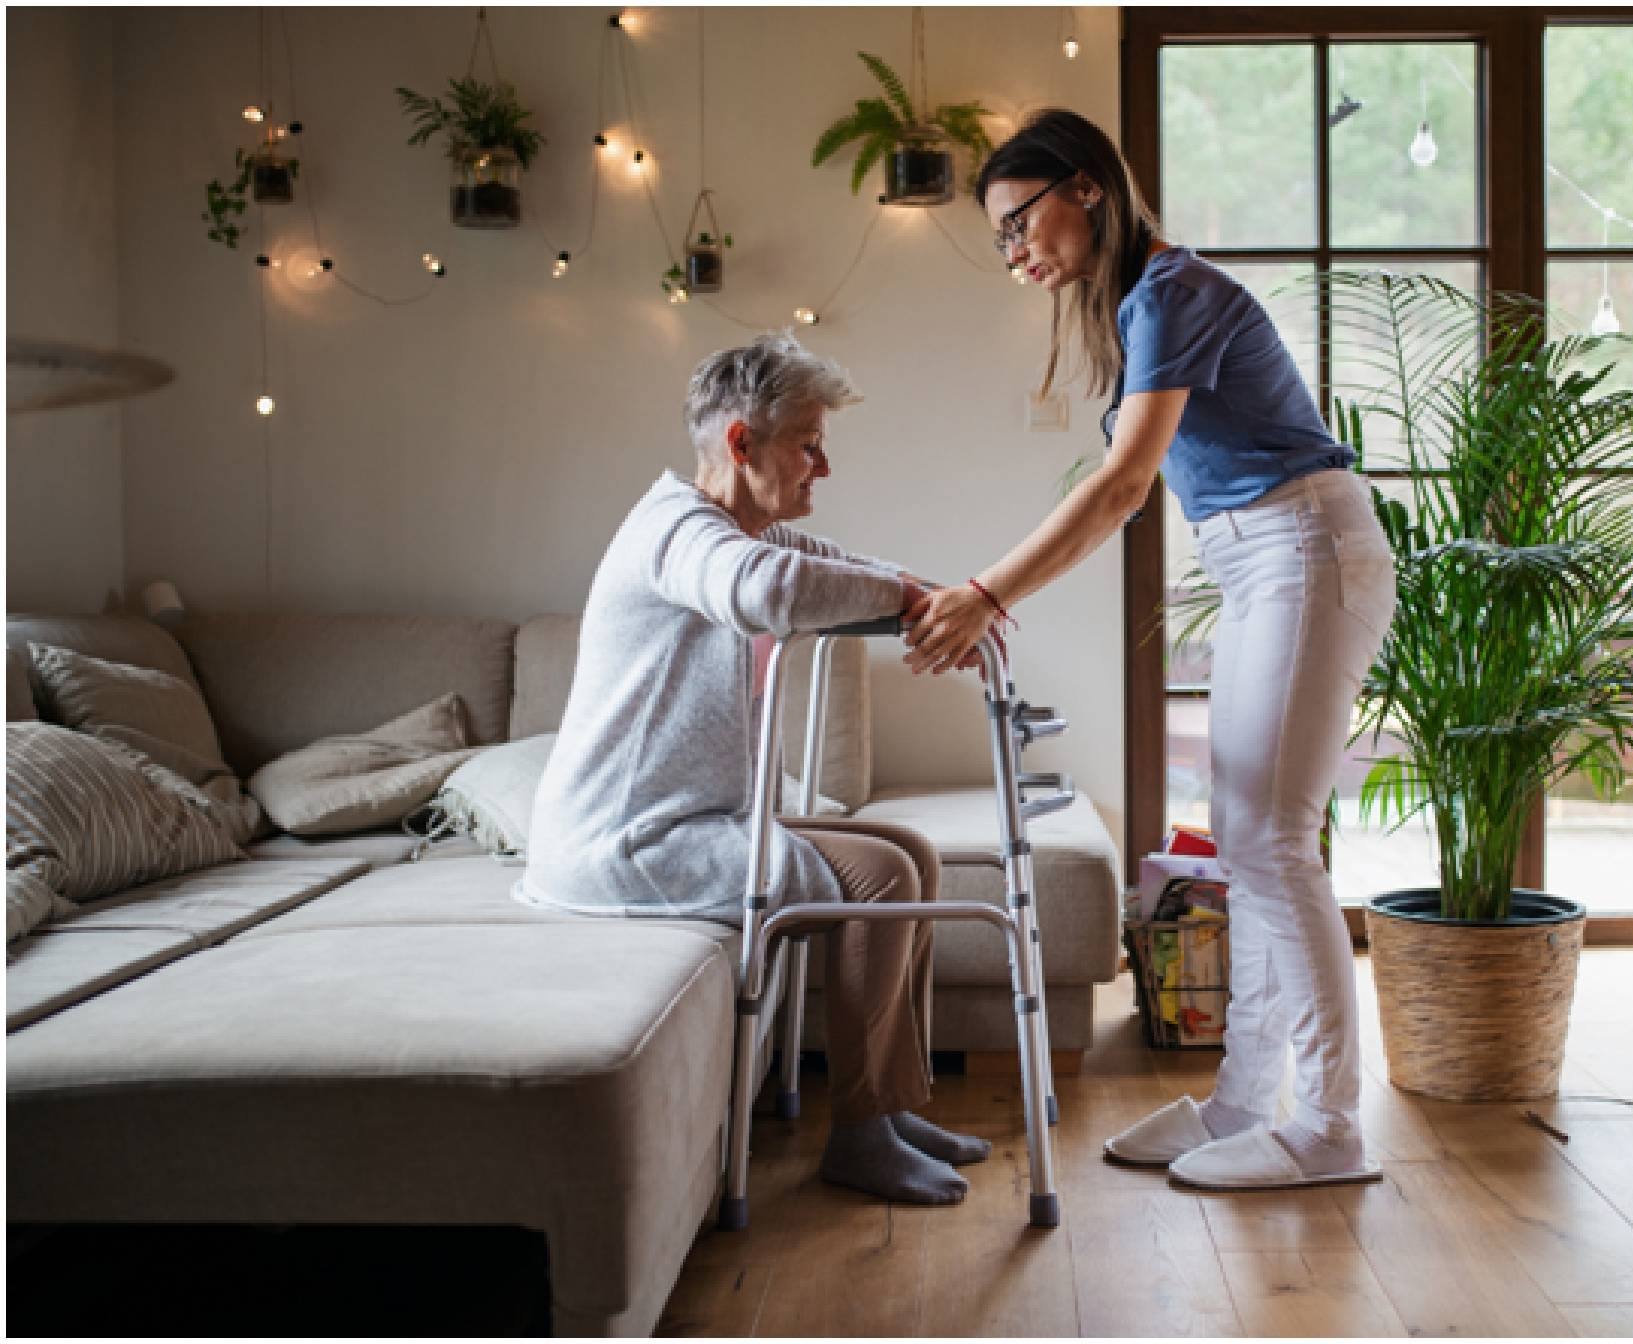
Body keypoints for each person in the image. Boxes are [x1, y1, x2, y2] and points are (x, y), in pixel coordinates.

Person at [903, 110, 1396, 1191]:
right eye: (998, 241)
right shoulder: (1140, 304)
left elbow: (1124, 485)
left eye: (1019, 221)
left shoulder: (1170, 291)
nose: (1015, 252)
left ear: (1084, 187)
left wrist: (987, 591)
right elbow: (1130, 493)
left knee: (1273, 842)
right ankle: (1237, 1106)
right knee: (1249, 839)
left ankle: (1327, 1128)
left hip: (1305, 547)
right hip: (1269, 557)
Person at [520, 331, 989, 1206]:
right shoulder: (678, 533)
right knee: (883, 878)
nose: (823, 465)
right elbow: (764, 590)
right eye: (807, 443)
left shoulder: (729, 528)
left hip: (693, 823)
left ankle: (884, 1110)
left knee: (910, 856)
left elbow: (828, 565)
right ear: (742, 444)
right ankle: (856, 1138)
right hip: (629, 843)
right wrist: (910, 601)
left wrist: (929, 596)